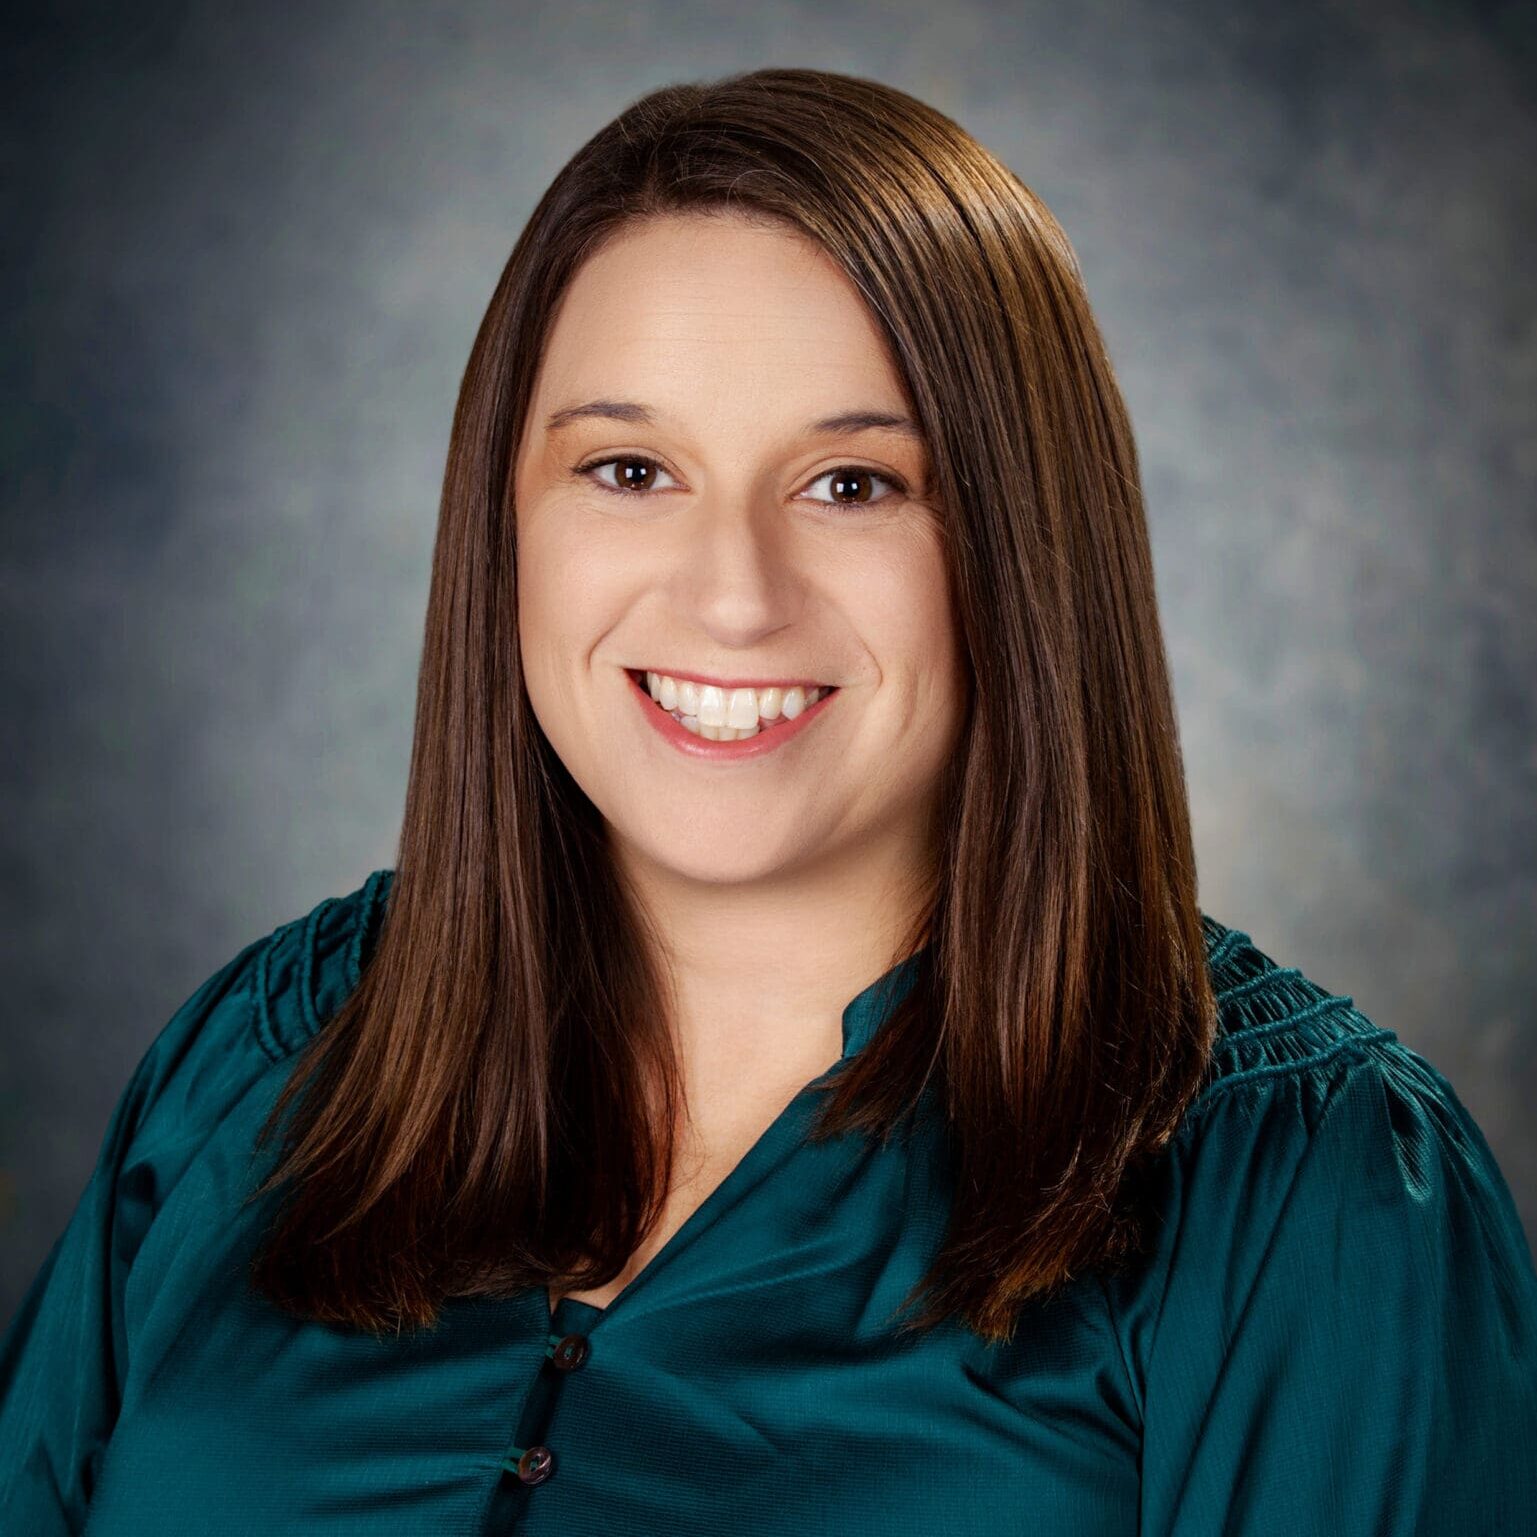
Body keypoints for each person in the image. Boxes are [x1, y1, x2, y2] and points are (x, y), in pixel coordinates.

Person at [3, 65, 1534, 1536]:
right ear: (504, 524)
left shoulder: (1307, 1204)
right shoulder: (254, 1071)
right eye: (625, 469)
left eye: (851, 485)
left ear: (1019, 548)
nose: (730, 595)